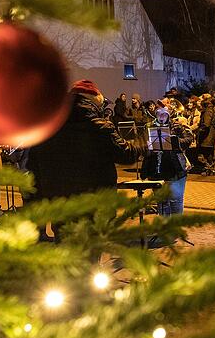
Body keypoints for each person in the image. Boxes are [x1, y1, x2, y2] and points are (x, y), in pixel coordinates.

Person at [27, 80, 141, 241]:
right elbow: (127, 155)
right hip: (95, 209)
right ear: (94, 101)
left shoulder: (47, 128)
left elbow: (34, 169)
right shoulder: (99, 127)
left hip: (61, 209)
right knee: (91, 258)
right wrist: (142, 142)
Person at [139, 100, 194, 216]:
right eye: (159, 114)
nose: (162, 117)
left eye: (164, 114)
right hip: (157, 169)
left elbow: (189, 138)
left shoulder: (176, 126)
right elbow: (140, 145)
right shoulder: (149, 127)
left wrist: (174, 141)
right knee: (162, 202)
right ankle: (164, 228)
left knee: (176, 200)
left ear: (168, 115)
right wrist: (146, 147)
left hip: (175, 169)